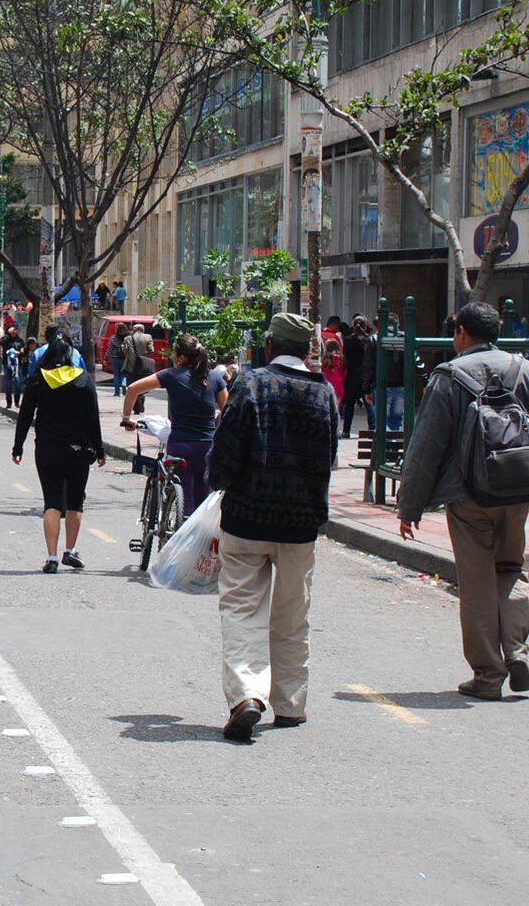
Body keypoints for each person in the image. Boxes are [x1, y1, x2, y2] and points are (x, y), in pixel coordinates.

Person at [397, 301, 529, 699]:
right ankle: (517, 650)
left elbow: (425, 447)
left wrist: (409, 507)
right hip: (517, 491)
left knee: (476, 583)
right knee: (511, 568)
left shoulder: (448, 377)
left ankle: (489, 675)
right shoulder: (526, 370)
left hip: (468, 497)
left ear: (461, 332)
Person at [206, 312, 337, 741]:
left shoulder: (251, 383)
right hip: (300, 523)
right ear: (307, 350)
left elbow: (227, 447)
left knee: (243, 609)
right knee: (293, 614)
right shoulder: (325, 394)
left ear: (269, 346)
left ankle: (247, 696)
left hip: (248, 517)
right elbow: (328, 459)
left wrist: (217, 482)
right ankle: (291, 705)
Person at [11, 336, 105, 573]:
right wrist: (100, 449)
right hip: (79, 450)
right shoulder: (83, 380)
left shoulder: (37, 380)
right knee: (75, 502)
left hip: (47, 449)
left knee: (51, 502)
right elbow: (93, 418)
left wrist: (18, 447)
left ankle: (52, 557)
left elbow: (24, 416)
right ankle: (69, 551)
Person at [121, 333, 228, 517]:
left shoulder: (171, 375)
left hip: (180, 445)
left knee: (184, 497)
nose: (171, 356)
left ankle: (180, 535)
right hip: (207, 446)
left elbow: (132, 389)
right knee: (202, 502)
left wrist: (126, 417)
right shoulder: (215, 378)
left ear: (181, 358)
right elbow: (228, 411)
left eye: (174, 352)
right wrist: (215, 423)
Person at [340, 316, 374, 438]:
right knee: (369, 403)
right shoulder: (369, 340)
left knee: (349, 405)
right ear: (365, 326)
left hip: (351, 376)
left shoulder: (348, 340)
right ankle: (372, 428)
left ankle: (346, 431)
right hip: (366, 376)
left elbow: (345, 358)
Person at [2, 327, 25, 408]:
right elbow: (1, 343)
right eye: (12, 330)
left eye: (15, 330)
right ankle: (9, 403)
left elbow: (23, 350)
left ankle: (17, 402)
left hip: (17, 364)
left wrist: (19, 353)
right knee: (8, 384)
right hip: (7, 364)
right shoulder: (6, 339)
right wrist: (7, 334)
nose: (14, 332)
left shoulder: (20, 340)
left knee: (17, 383)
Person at [107, 325, 130, 397]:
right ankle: (124, 384)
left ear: (118, 329)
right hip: (124, 358)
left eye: (115, 328)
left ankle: (117, 392)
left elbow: (110, 349)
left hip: (115, 358)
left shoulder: (113, 338)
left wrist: (106, 357)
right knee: (124, 374)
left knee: (116, 375)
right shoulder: (127, 338)